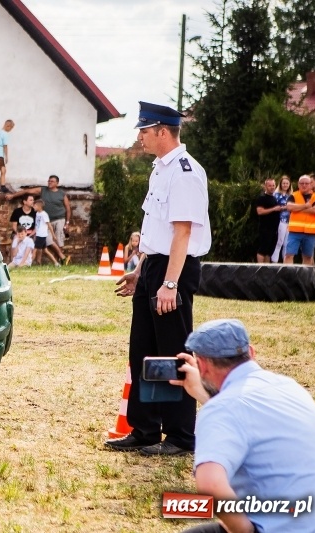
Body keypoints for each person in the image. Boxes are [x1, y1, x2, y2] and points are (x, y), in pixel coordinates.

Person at [105, 101, 211, 456]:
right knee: (145, 353)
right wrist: (141, 270)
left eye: (145, 131)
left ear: (163, 132)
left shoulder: (184, 171)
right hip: (154, 266)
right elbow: (157, 229)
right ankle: (146, 429)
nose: (140, 137)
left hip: (174, 270)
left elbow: (182, 232)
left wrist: (169, 284)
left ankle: (181, 435)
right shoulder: (160, 170)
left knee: (174, 353)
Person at [171, 319, 315, 533]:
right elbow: (245, 420)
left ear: (203, 365)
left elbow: (210, 484)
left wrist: (245, 531)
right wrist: (203, 394)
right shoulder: (288, 387)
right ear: (251, 353)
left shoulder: (222, 410)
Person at [5, 175, 70, 262]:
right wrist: (13, 195)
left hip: (59, 219)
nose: (49, 182)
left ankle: (61, 260)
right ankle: (60, 259)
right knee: (48, 241)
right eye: (49, 181)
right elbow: (27, 191)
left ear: (57, 183)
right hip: (46, 222)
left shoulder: (61, 193)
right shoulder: (43, 190)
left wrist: (67, 222)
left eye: (52, 181)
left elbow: (68, 208)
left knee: (58, 240)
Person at [284, 174, 315, 266]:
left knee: (308, 257)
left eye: (306, 183)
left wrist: (297, 208)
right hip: (295, 231)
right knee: (289, 255)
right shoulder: (293, 195)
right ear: (298, 184)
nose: (304, 185)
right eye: (302, 183)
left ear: (310, 184)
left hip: (310, 232)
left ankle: (305, 279)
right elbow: (289, 207)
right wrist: (305, 206)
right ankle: (287, 278)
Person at [253, 178, 283, 263]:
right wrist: (273, 209)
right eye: (270, 185)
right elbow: (260, 211)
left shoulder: (273, 198)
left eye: (273, 185)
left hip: (274, 229)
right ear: (265, 186)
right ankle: (260, 268)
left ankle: (266, 271)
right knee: (262, 250)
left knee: (269, 252)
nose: (272, 187)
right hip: (265, 229)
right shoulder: (262, 198)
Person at [270, 175, 291, 263]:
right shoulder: (276, 195)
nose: (285, 185)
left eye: (287, 183)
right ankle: (274, 261)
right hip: (280, 221)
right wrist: (285, 207)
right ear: (281, 184)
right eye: (284, 183)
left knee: (287, 243)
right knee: (280, 242)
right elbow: (275, 207)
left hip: (289, 222)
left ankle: (285, 262)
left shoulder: (290, 196)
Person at [33, 199, 59, 266]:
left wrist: (53, 235)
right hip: (38, 234)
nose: (33, 207)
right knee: (45, 250)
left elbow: (49, 225)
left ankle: (28, 264)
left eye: (35, 206)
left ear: (39, 206)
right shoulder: (37, 214)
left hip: (42, 235)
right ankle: (56, 263)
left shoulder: (44, 214)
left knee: (35, 249)